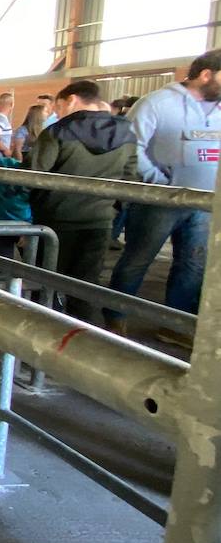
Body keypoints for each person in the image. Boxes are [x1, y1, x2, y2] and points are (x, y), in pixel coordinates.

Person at [105, 51, 220, 340]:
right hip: (159, 201)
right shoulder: (156, 103)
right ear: (206, 75)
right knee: (138, 259)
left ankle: (175, 324)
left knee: (193, 263)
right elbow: (131, 146)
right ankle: (115, 317)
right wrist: (157, 179)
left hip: (204, 202)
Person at [26, 80, 137, 321]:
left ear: (71, 100)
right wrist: (111, 210)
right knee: (86, 287)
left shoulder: (58, 132)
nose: (56, 112)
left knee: (46, 283)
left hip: (55, 221)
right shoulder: (126, 133)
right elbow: (131, 180)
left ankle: (39, 341)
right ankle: (87, 344)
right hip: (99, 222)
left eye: (59, 106)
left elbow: (34, 174)